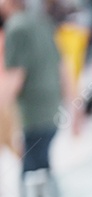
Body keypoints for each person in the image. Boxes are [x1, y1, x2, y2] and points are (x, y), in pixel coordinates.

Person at [0, 0, 62, 175]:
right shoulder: (42, 22)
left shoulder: (16, 27)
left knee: (31, 175)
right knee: (42, 168)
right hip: (52, 108)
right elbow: (62, 66)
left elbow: (15, 77)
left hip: (33, 113)